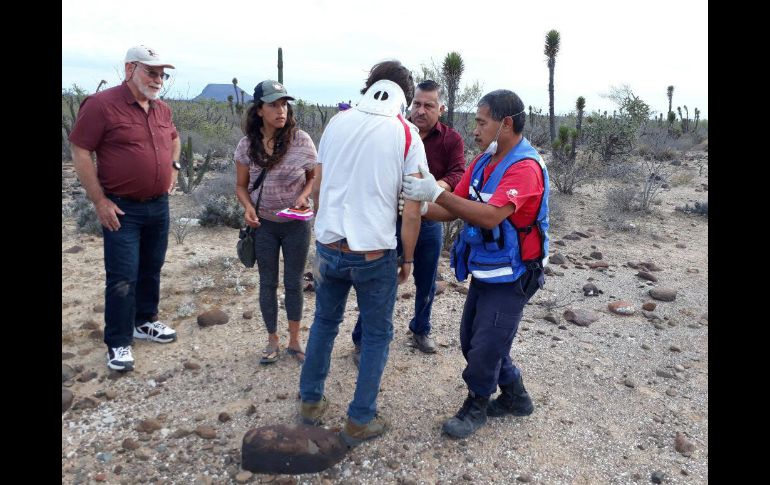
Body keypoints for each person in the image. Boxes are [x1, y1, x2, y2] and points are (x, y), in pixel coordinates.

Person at [401, 89, 550, 439]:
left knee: (486, 346)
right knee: (472, 341)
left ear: (506, 123)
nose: (475, 130)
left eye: (482, 123)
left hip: (515, 274)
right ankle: (516, 396)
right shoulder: (485, 161)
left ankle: (476, 405)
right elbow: (454, 207)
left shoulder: (524, 168)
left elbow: (489, 216)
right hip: (488, 268)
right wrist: (419, 206)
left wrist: (434, 193)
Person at [298, 60, 426, 447]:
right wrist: (407, 258)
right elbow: (413, 207)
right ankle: (360, 419)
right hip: (373, 254)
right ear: (405, 94)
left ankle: (310, 402)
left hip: (330, 245)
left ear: (369, 86)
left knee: (324, 322)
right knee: (375, 335)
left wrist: (323, 230)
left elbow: (318, 184)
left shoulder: (337, 123)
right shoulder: (406, 135)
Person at [69, 45, 181, 372]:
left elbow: (174, 139)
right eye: (151, 72)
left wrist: (173, 168)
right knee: (122, 276)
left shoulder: (161, 109)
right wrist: (99, 201)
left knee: (151, 268)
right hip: (121, 209)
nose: (158, 79)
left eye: (162, 74)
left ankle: (144, 321)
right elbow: (80, 150)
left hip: (158, 206)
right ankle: (118, 341)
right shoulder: (101, 105)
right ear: (130, 68)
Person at [350, 79, 465, 360]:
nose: (421, 110)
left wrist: (433, 189)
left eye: (429, 105)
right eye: (417, 104)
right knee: (381, 281)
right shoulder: (393, 132)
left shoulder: (452, 139)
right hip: (390, 221)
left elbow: (458, 173)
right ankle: (362, 337)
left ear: (441, 108)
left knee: (426, 281)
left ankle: (420, 329)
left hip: (428, 221)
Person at [234, 80, 318, 364]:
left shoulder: (301, 140)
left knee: (293, 282)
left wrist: (305, 197)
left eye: (284, 104)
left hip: (296, 225)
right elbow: (241, 186)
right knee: (267, 283)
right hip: (264, 225)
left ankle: (295, 341)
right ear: (259, 110)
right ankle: (272, 340)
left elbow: (313, 178)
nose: (281, 110)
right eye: (273, 104)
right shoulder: (246, 146)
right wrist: (247, 207)